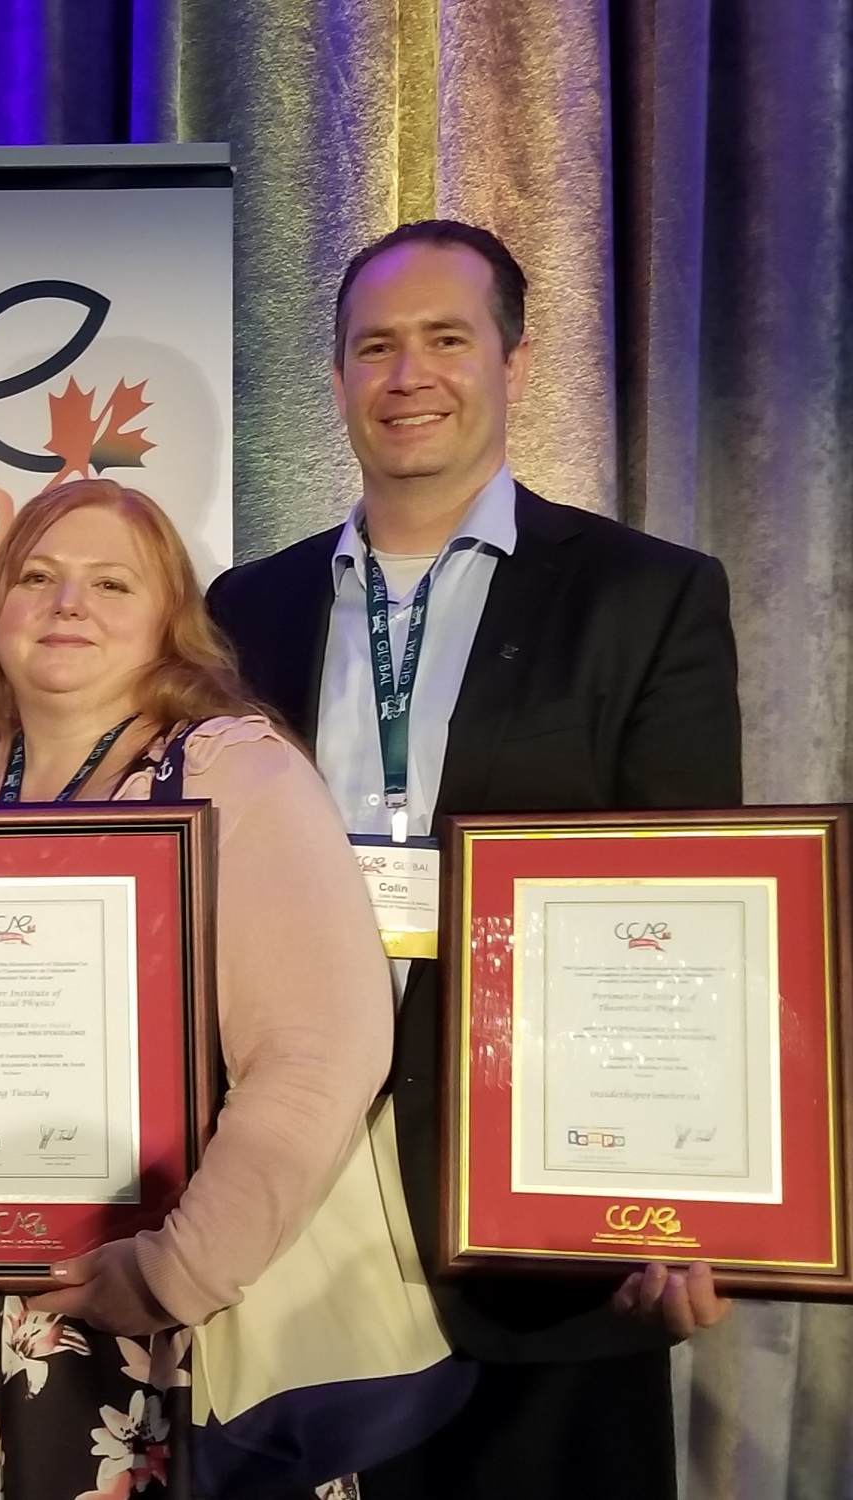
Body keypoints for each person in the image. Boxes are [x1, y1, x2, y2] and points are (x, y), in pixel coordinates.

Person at [204, 219, 738, 1500]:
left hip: (544, 1221)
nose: (408, 375)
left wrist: (686, 1193)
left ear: (511, 358)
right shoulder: (242, 611)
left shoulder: (640, 595)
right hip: (292, 1205)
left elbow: (689, 915)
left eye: (446, 338)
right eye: (373, 347)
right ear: (334, 378)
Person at [0, 477, 397, 1500]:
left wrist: (173, 1272)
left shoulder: (232, 772)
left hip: (130, 1309)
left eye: (111, 582)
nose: (68, 604)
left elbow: (321, 1052)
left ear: (169, 622)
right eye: (38, 577)